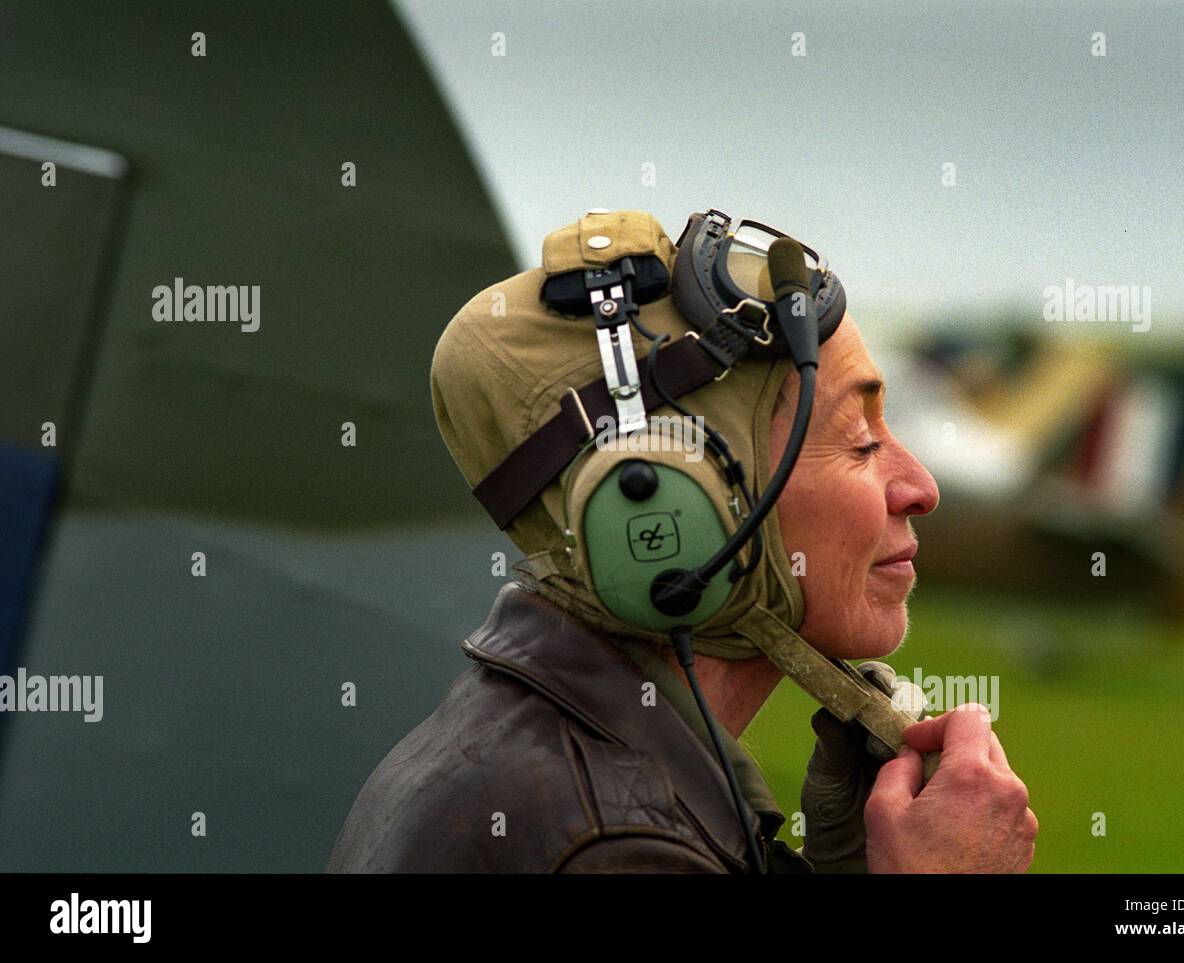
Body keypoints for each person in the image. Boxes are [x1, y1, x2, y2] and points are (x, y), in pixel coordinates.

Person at [325, 209, 1037, 873]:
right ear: (671, 500)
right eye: (859, 442)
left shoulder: (528, 754)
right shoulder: (615, 845)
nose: (921, 487)